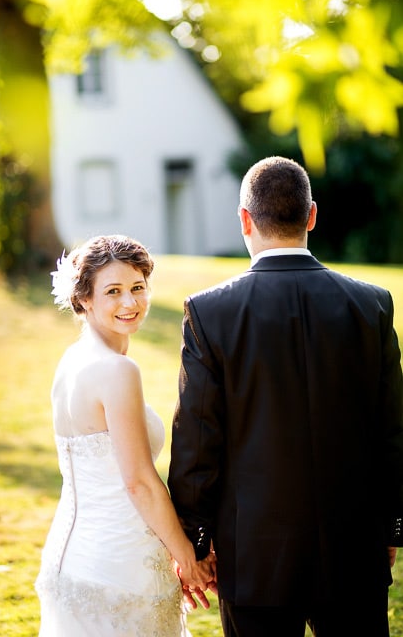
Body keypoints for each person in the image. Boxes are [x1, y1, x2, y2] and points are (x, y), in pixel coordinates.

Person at [168, 155, 403, 636]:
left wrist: (194, 539)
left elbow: (197, 441)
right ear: (312, 215)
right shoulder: (372, 304)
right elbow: (393, 429)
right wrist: (393, 525)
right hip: (355, 549)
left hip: (255, 559)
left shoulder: (211, 313)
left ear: (245, 219)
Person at [34, 234, 213, 637]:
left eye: (137, 288)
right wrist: (187, 556)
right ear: (84, 300)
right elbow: (140, 482)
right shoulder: (117, 371)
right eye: (113, 291)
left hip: (71, 556)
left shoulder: (72, 360)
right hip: (119, 567)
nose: (130, 303)